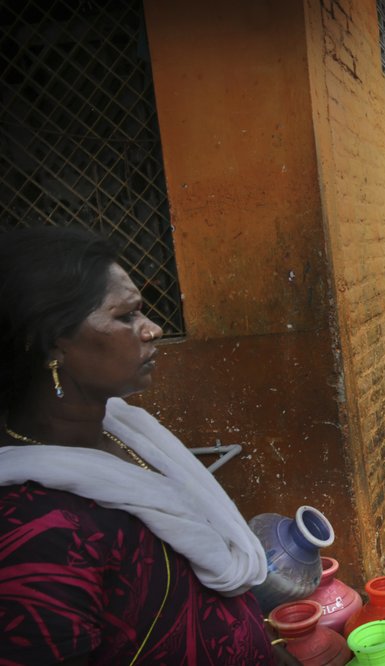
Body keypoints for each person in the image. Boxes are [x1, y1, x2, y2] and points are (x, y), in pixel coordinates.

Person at [0, 227, 286, 665]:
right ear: (50, 344)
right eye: (126, 317)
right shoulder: (34, 531)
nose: (151, 330)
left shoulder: (123, 428)